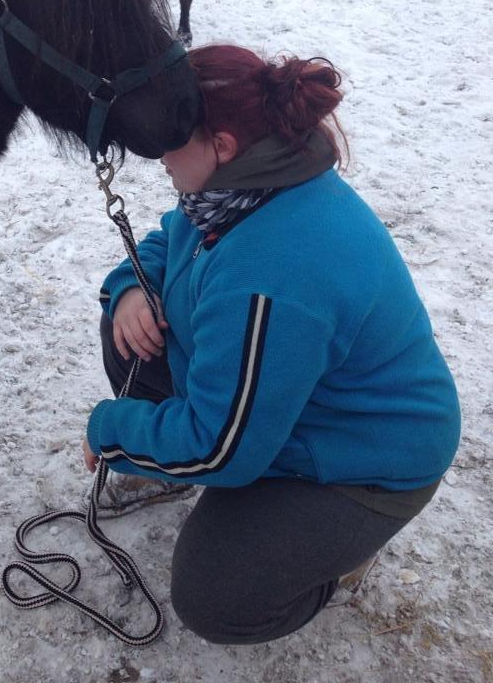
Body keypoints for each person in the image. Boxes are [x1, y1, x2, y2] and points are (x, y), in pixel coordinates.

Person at [82, 43, 460, 646]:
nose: (156, 158)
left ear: (223, 145)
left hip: (363, 462)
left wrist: (111, 434)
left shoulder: (270, 268)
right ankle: (176, 471)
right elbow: (169, 239)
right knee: (130, 335)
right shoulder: (245, 186)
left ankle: (333, 565)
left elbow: (221, 447)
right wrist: (132, 288)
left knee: (214, 597)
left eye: (169, 139)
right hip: (293, 412)